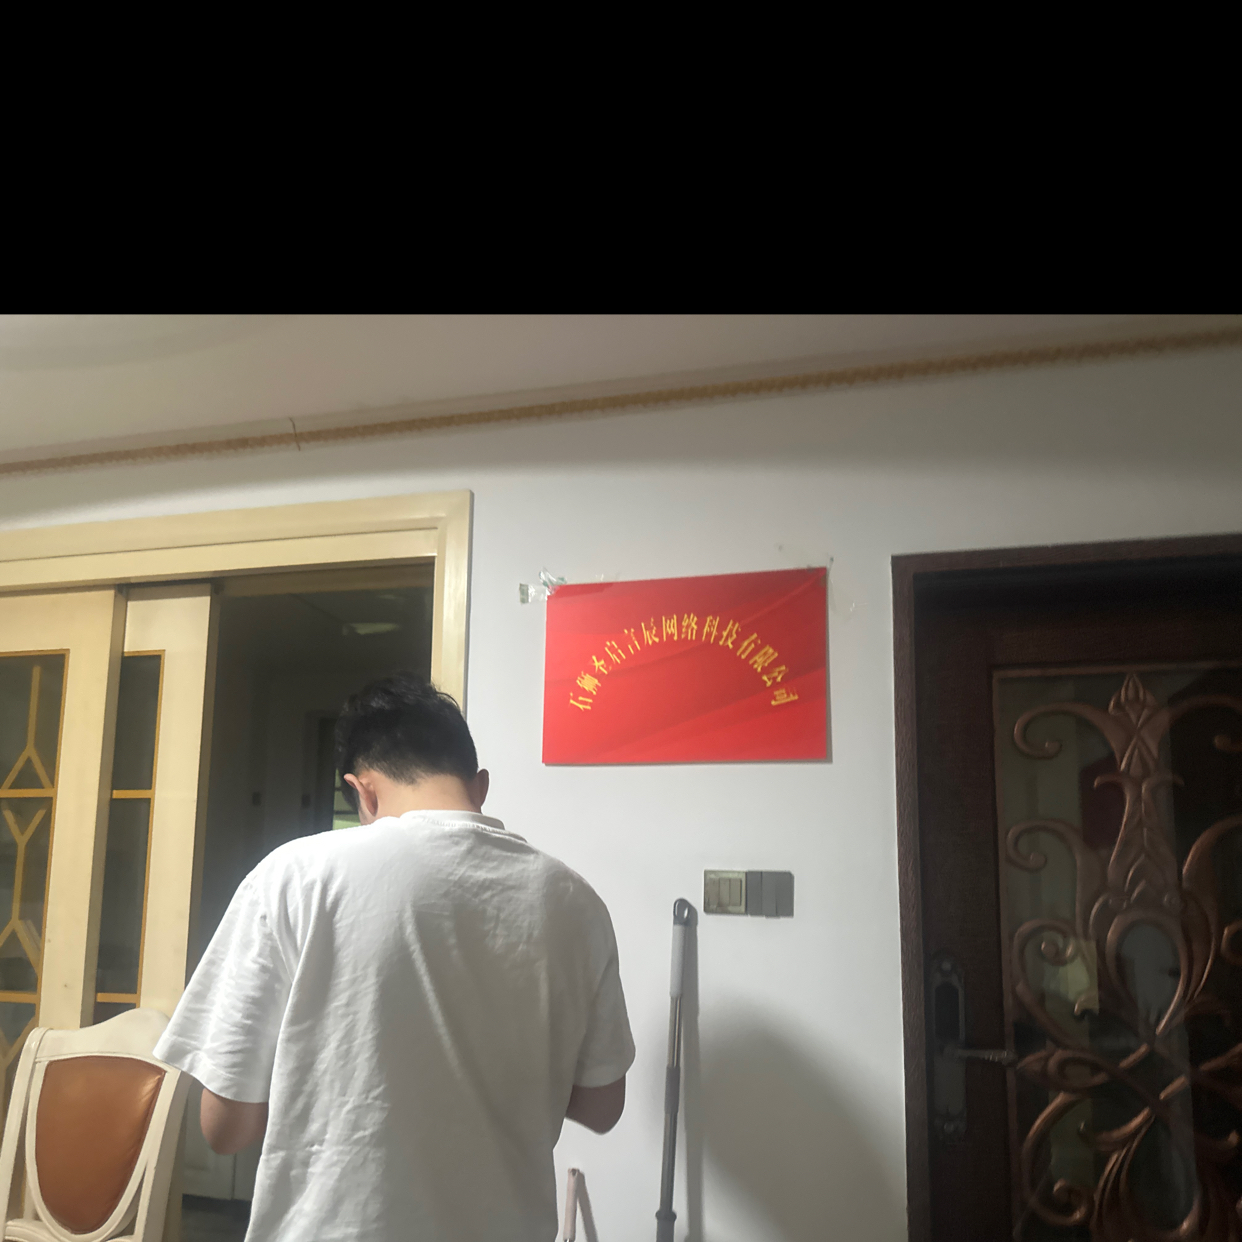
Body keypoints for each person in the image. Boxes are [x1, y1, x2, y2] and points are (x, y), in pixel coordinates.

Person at [154, 672, 634, 1241]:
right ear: (479, 786)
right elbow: (602, 1106)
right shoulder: (576, 901)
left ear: (363, 792)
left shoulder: (295, 878)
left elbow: (225, 1128)